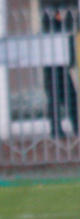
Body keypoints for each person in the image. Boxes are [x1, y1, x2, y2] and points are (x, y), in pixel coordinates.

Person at [42, 9, 78, 138]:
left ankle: (72, 128)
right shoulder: (51, 26)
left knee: (68, 98)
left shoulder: (61, 27)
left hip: (60, 67)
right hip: (53, 68)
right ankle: (58, 130)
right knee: (57, 99)